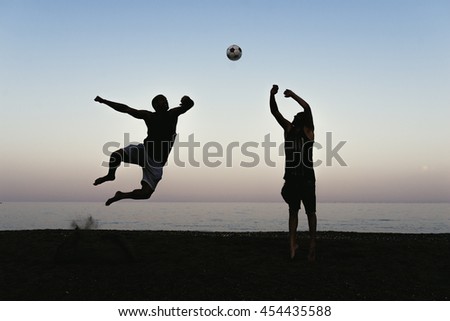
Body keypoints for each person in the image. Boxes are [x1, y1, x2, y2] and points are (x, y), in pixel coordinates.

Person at [93, 94, 194, 206]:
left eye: (166, 100)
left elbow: (188, 106)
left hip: (156, 162)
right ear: (155, 105)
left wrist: (187, 100)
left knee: (145, 194)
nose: (165, 102)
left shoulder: (172, 114)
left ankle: (121, 195)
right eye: (162, 101)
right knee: (116, 155)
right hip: (144, 151)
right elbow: (126, 109)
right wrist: (104, 101)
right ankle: (110, 175)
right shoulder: (148, 116)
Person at [269, 85, 317, 261]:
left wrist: (279, 94)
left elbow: (304, 109)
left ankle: (296, 245)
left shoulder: (296, 130)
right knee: (306, 212)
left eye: (297, 115)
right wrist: (278, 95)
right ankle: (303, 244)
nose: (295, 115)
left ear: (300, 120)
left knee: (298, 212)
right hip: (302, 179)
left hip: (298, 178)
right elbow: (277, 111)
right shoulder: (306, 131)